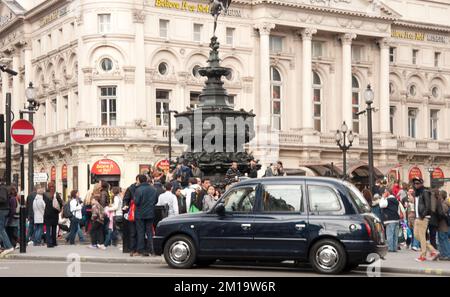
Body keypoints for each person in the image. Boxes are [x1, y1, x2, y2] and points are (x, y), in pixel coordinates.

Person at [412, 177, 439, 262]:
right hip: (418, 217)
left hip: (423, 218)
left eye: (417, 183)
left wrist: (422, 216)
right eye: (414, 183)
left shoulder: (425, 192)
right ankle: (433, 251)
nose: (415, 185)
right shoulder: (417, 193)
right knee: (417, 236)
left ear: (421, 183)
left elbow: (428, 206)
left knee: (422, 236)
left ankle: (423, 255)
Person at [134, 174, 158, 256]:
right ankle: (151, 249)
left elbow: (136, 202)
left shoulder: (138, 189)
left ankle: (140, 250)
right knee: (150, 232)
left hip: (140, 213)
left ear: (140, 180)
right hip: (150, 213)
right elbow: (156, 201)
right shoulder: (153, 189)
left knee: (140, 232)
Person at [380, 187, 400, 253]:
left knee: (390, 234)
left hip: (389, 219)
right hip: (396, 219)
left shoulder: (387, 200)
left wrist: (383, 197)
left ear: (388, 192)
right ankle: (395, 247)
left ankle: (391, 248)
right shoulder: (396, 200)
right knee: (395, 235)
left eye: (385, 192)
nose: (384, 193)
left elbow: (381, 205)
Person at [43, 182, 63, 248]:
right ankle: (54, 242)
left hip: (47, 213)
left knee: (48, 229)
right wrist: (59, 208)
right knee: (54, 228)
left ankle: (49, 243)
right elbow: (61, 203)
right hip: (54, 213)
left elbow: (44, 204)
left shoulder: (45, 194)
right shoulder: (56, 194)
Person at [123, 175, 139, 255]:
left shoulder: (139, 188)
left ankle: (136, 249)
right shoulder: (131, 188)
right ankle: (133, 249)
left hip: (137, 212)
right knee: (133, 232)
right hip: (133, 212)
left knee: (137, 232)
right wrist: (126, 205)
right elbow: (126, 199)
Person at [0, 183, 14, 257]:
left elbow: (3, 199)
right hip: (4, 210)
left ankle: (8, 246)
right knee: (2, 229)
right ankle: (6, 246)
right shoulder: (3, 188)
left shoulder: (2, 188)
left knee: (1, 229)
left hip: (2, 210)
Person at [436, 190, 450, 260]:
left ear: (441, 196)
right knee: (444, 240)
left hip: (443, 226)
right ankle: (444, 254)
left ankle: (447, 254)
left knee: (444, 240)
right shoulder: (445, 203)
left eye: (439, 195)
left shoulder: (443, 204)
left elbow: (441, 213)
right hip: (444, 226)